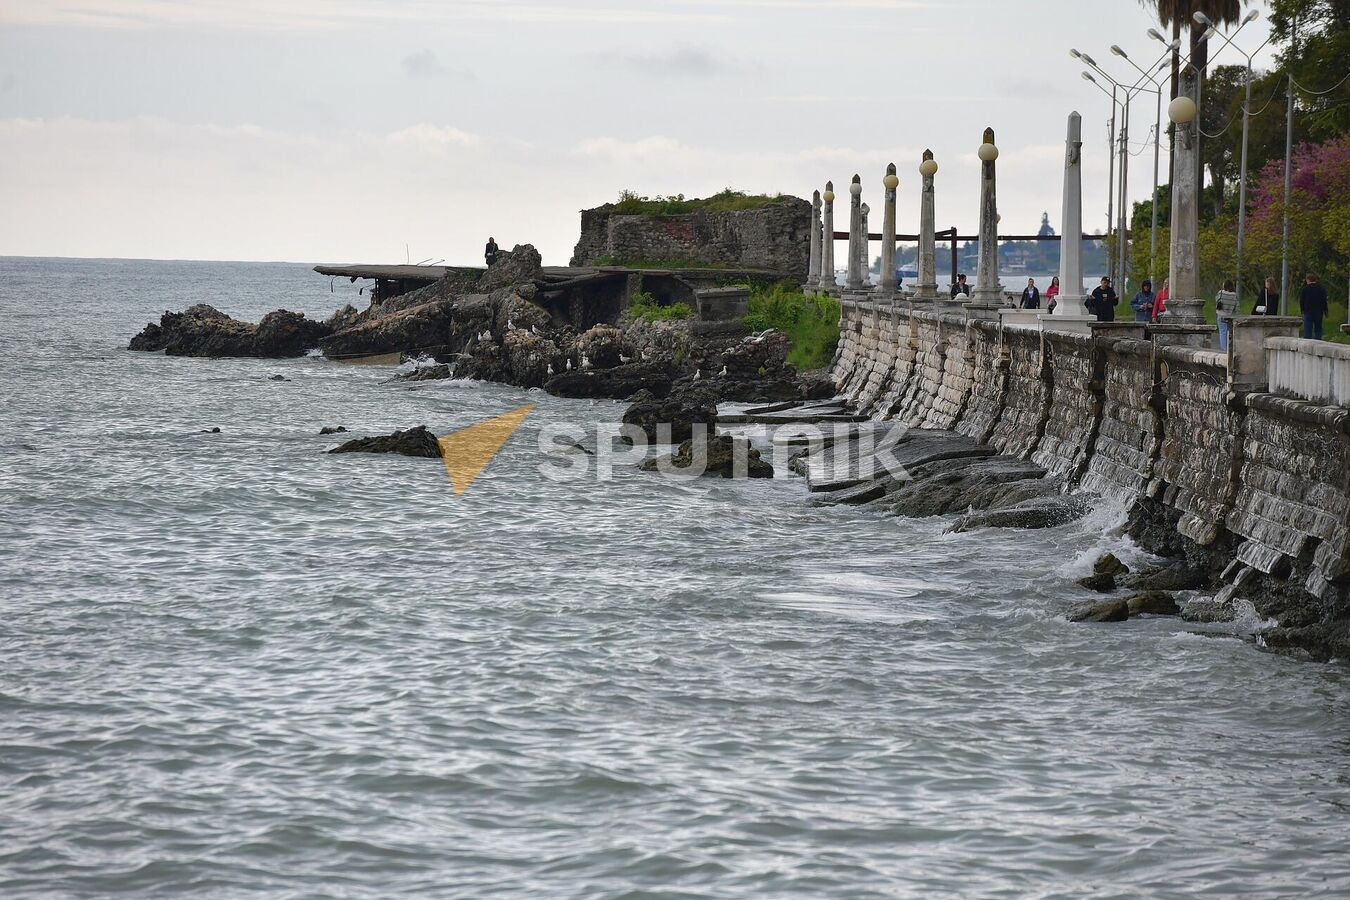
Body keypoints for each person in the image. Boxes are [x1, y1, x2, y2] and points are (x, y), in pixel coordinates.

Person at [1299, 272, 1329, 339]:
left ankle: (1308, 341)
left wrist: (1302, 309)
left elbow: (1302, 300)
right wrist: (1325, 310)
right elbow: (1324, 301)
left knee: (1308, 327)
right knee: (1318, 327)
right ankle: (1318, 340)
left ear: (1308, 280)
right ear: (1315, 280)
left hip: (1308, 311)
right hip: (1318, 311)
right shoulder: (1321, 289)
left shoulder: (1305, 289)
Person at [1215, 279, 1238, 350]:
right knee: (1230, 333)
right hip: (1230, 316)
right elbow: (1237, 307)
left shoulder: (1220, 293)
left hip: (1221, 315)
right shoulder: (1235, 295)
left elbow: (1217, 300)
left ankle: (1224, 350)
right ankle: (1230, 349)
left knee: (1222, 333)